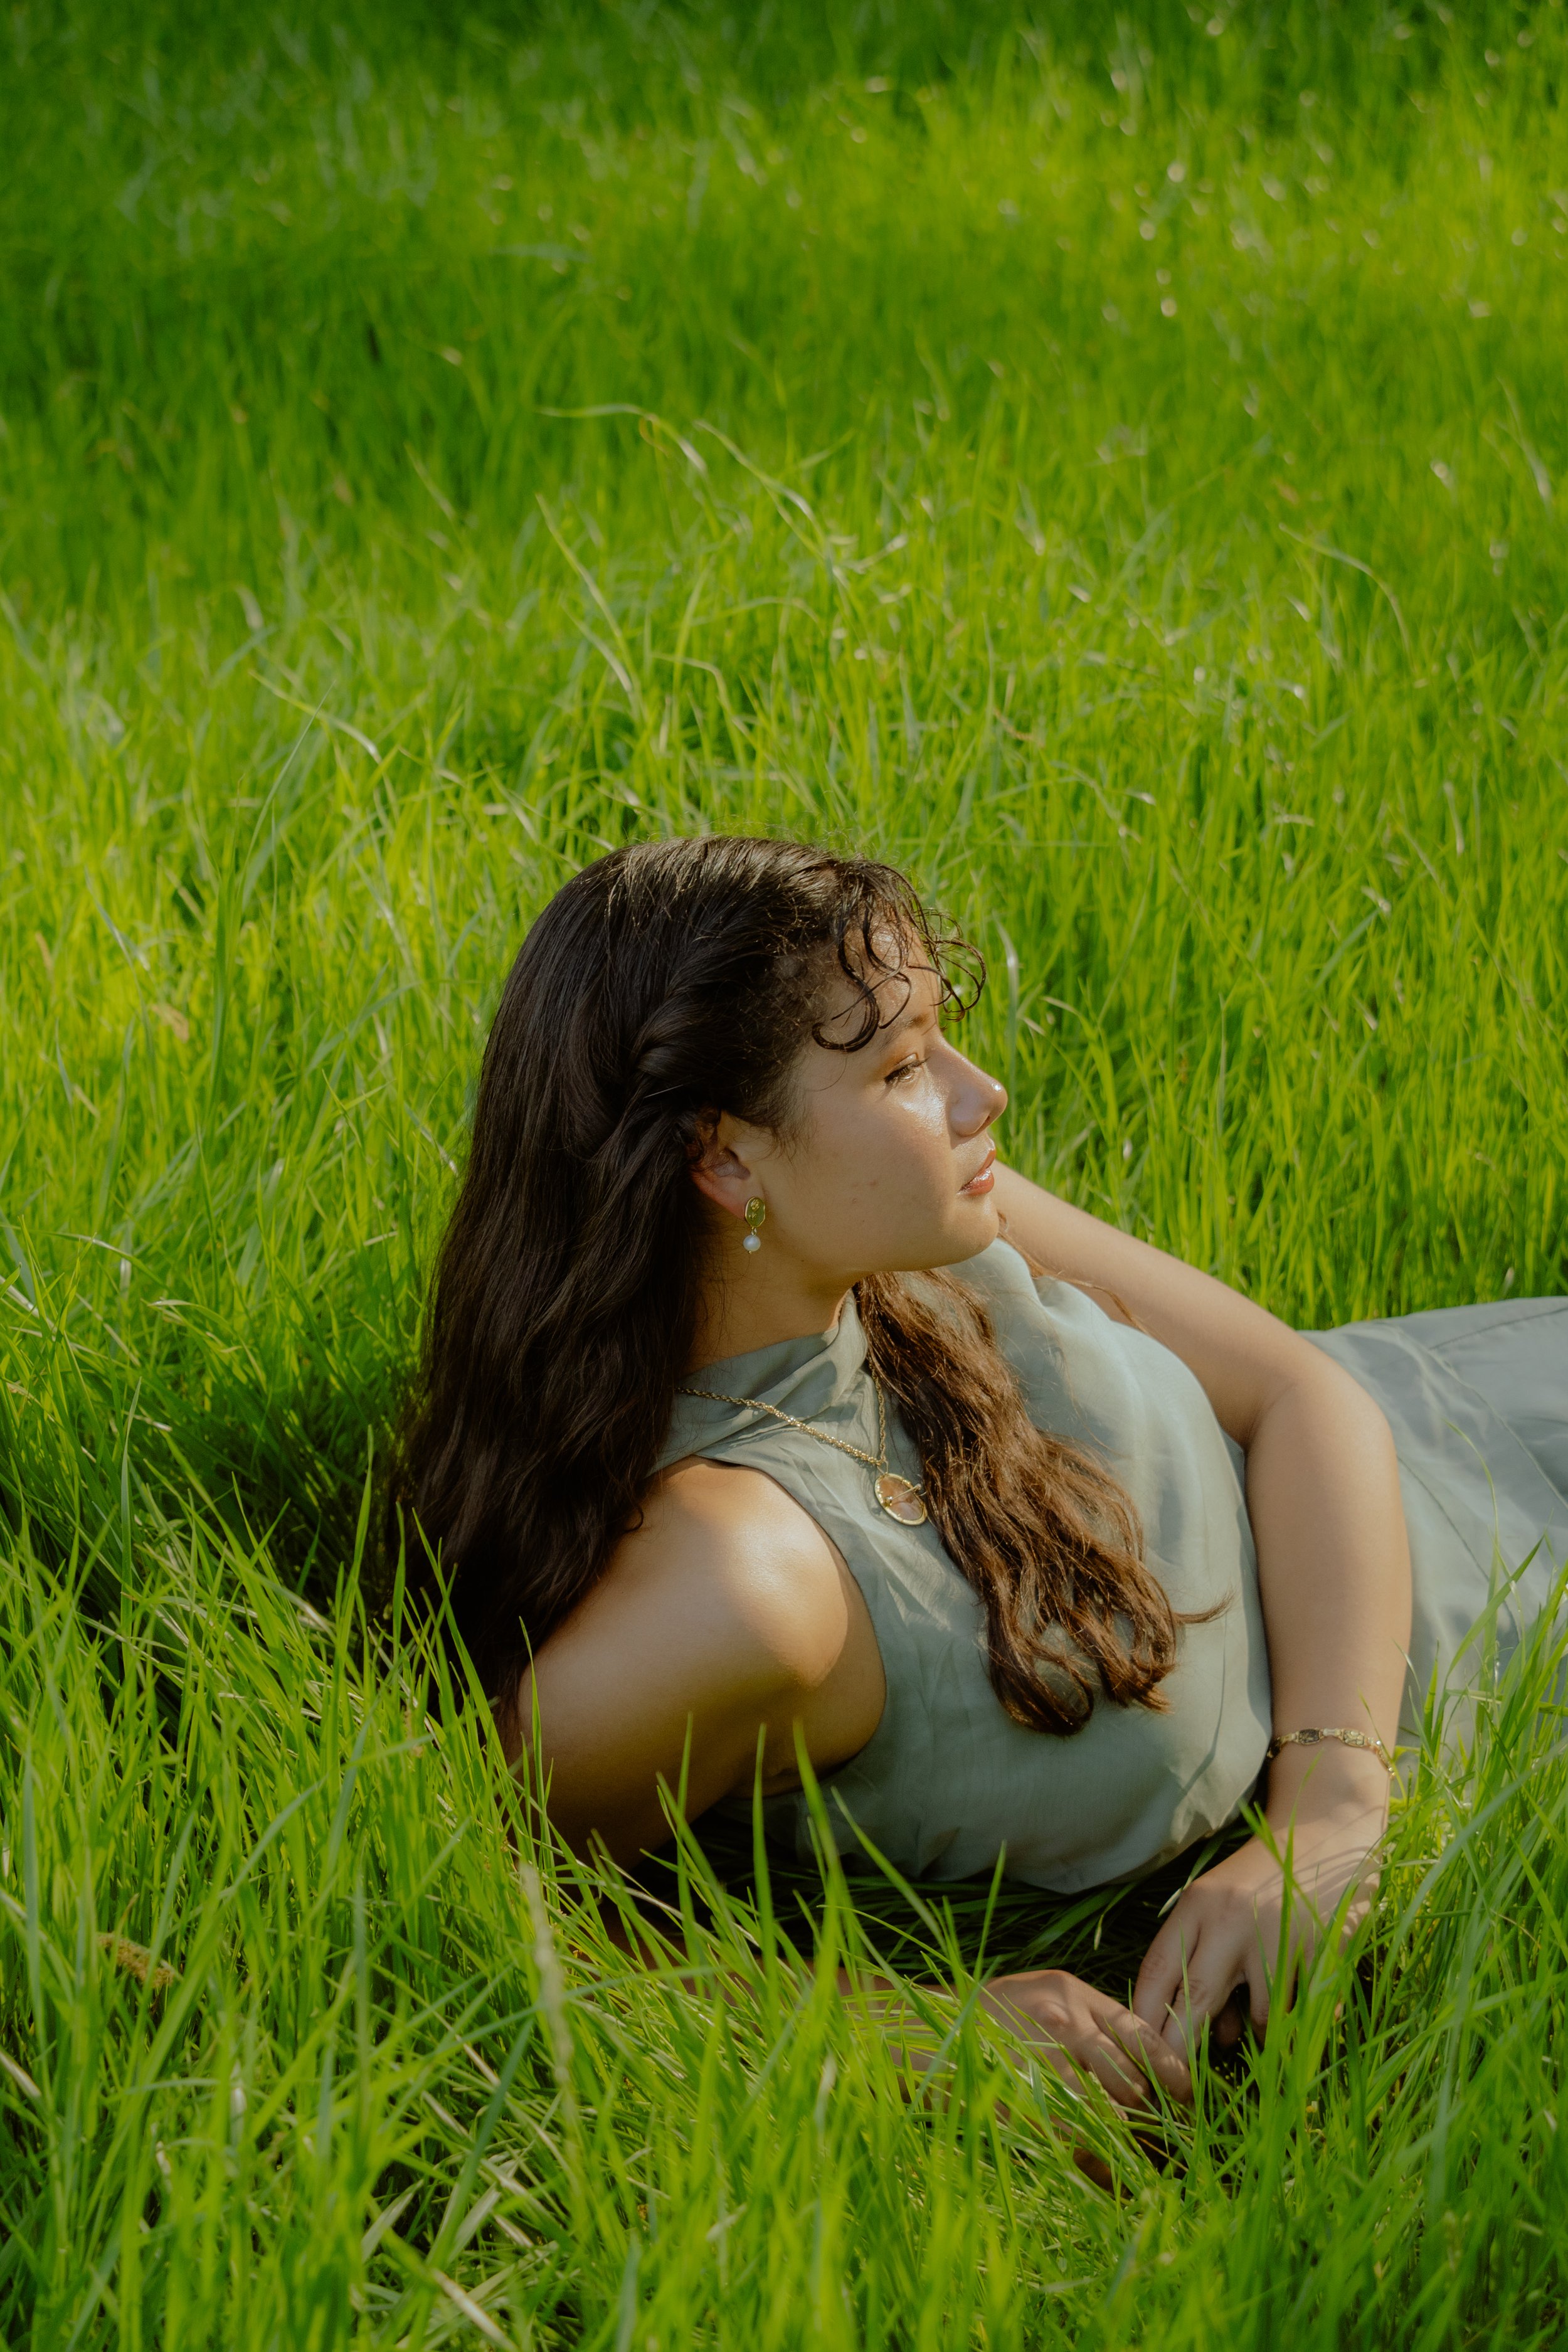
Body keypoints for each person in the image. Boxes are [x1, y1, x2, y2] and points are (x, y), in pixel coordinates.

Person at [395, 837, 1568, 2114]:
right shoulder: (745, 1580)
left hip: (1458, 1422)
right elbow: (465, 1903)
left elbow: (1297, 1392)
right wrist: (889, 2033)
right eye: (901, 1067)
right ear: (723, 1159)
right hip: (1507, 1668)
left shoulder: (902, 1225)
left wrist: (1330, 1812)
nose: (979, 1091)